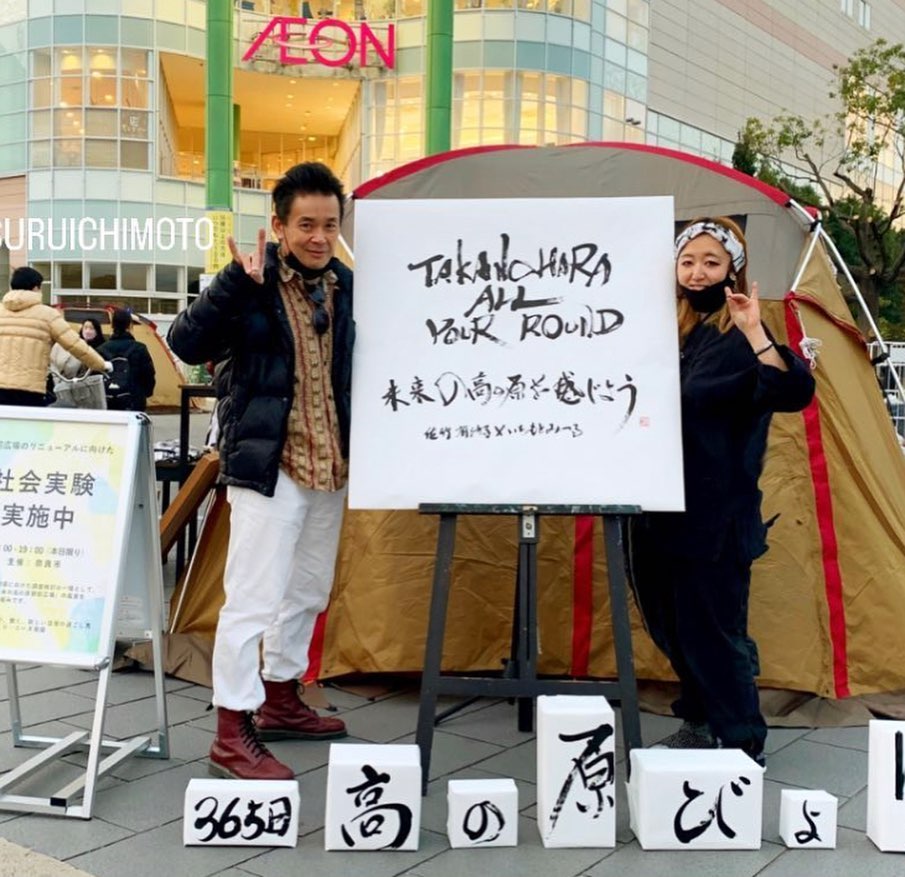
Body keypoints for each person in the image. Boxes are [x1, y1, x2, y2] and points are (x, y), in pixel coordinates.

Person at [167, 161, 354, 780]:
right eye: (306, 224)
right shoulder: (251, 282)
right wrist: (232, 283)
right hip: (268, 466)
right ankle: (231, 728)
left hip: (330, 467)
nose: (319, 237)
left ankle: (280, 698)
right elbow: (186, 344)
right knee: (250, 600)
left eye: (330, 224)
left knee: (306, 592)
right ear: (278, 225)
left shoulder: (347, 287)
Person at [628, 216, 816, 767]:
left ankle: (740, 742)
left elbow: (792, 390)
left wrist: (756, 330)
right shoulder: (666, 331)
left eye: (711, 261)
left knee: (714, 630)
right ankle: (699, 720)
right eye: (688, 261)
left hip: (715, 515)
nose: (697, 271)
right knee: (668, 625)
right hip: (656, 509)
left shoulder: (740, 340)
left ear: (733, 268)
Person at [0, 266, 110, 407]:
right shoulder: (47, 314)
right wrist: (100, 364)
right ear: (35, 288)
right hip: (30, 390)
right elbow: (74, 344)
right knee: (29, 427)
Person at [97, 308, 156, 411]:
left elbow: (96, 376)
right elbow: (148, 374)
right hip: (134, 400)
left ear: (112, 325)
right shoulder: (140, 348)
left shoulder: (101, 349)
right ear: (130, 325)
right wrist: (146, 393)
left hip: (108, 400)